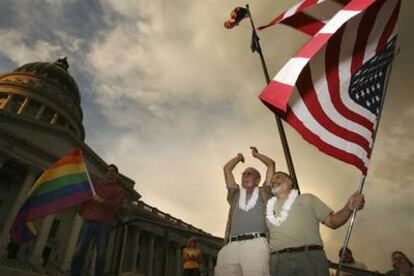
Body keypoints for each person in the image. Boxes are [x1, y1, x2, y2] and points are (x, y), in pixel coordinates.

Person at [257, 151, 365, 276]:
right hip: (279, 261)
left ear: (290, 182)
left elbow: (333, 222)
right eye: (272, 179)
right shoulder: (267, 206)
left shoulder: (307, 199)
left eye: (278, 177)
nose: (273, 180)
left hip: (310, 257)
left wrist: (349, 207)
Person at [214, 147, 273, 276]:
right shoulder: (235, 195)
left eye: (249, 174)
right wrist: (238, 158)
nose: (245, 176)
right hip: (230, 246)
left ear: (257, 180)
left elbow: (271, 164)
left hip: (256, 244)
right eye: (244, 174)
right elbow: (227, 169)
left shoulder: (264, 193)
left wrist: (257, 155)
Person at [70, 164, 125, 276]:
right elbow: (86, 188)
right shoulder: (97, 184)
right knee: (80, 250)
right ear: (106, 173)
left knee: (101, 254)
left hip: (104, 223)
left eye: (113, 171)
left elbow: (117, 206)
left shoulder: (119, 190)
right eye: (108, 171)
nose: (110, 173)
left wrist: (102, 201)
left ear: (116, 175)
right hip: (89, 220)